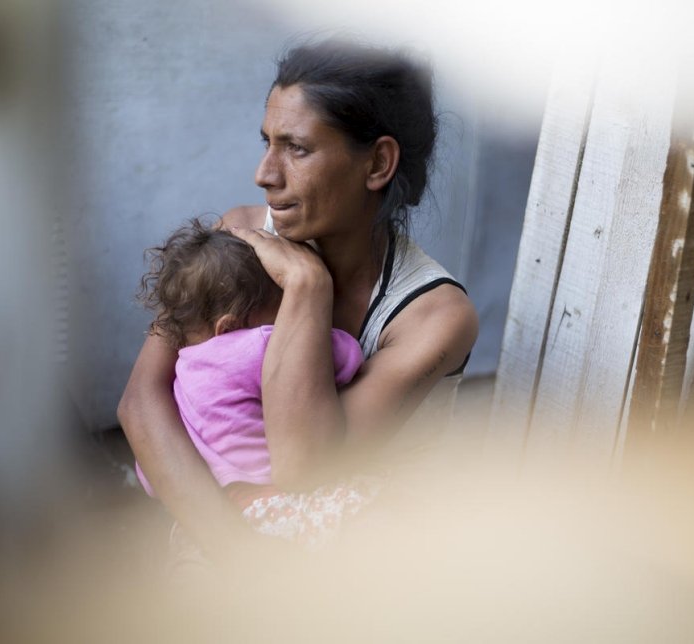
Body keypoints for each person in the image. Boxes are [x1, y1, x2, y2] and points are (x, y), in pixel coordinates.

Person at [117, 37, 478, 557]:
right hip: (234, 534)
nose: (264, 173)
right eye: (266, 142)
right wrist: (235, 553)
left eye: (297, 148)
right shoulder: (240, 238)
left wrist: (308, 288)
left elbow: (302, 466)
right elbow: (140, 402)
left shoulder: (433, 316)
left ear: (377, 164)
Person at [131, 219, 365, 532]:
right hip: (279, 502)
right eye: (278, 310)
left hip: (223, 516)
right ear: (228, 326)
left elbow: (150, 477)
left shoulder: (180, 375)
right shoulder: (255, 344)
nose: (283, 319)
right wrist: (306, 298)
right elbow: (348, 355)